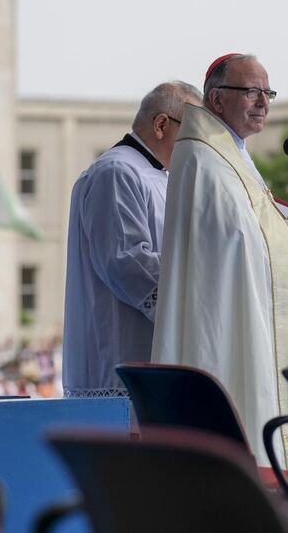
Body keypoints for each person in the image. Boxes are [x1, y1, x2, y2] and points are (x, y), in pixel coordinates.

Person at [152, 53, 288, 469]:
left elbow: (246, 223)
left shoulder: (233, 154)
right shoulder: (203, 156)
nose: (263, 101)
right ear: (216, 99)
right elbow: (236, 238)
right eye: (251, 91)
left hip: (243, 311)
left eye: (268, 92)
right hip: (222, 321)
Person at [62, 81, 203, 397]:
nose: (199, 144)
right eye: (195, 131)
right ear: (161, 124)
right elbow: (128, 263)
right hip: (119, 358)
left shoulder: (163, 178)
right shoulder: (116, 172)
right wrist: (200, 291)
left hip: (155, 355)